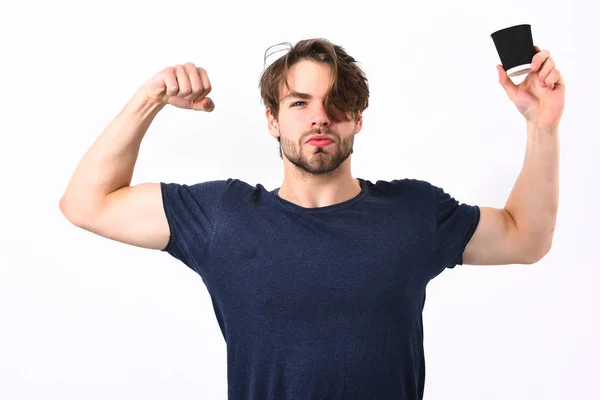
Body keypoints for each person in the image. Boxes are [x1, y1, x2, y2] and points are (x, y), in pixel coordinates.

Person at [59, 38, 564, 399]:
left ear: (358, 118)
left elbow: (526, 238)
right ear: (273, 120)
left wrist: (543, 126)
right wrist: (148, 99)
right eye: (299, 103)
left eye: (336, 103)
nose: (320, 116)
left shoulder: (413, 213)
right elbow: (86, 203)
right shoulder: (223, 217)